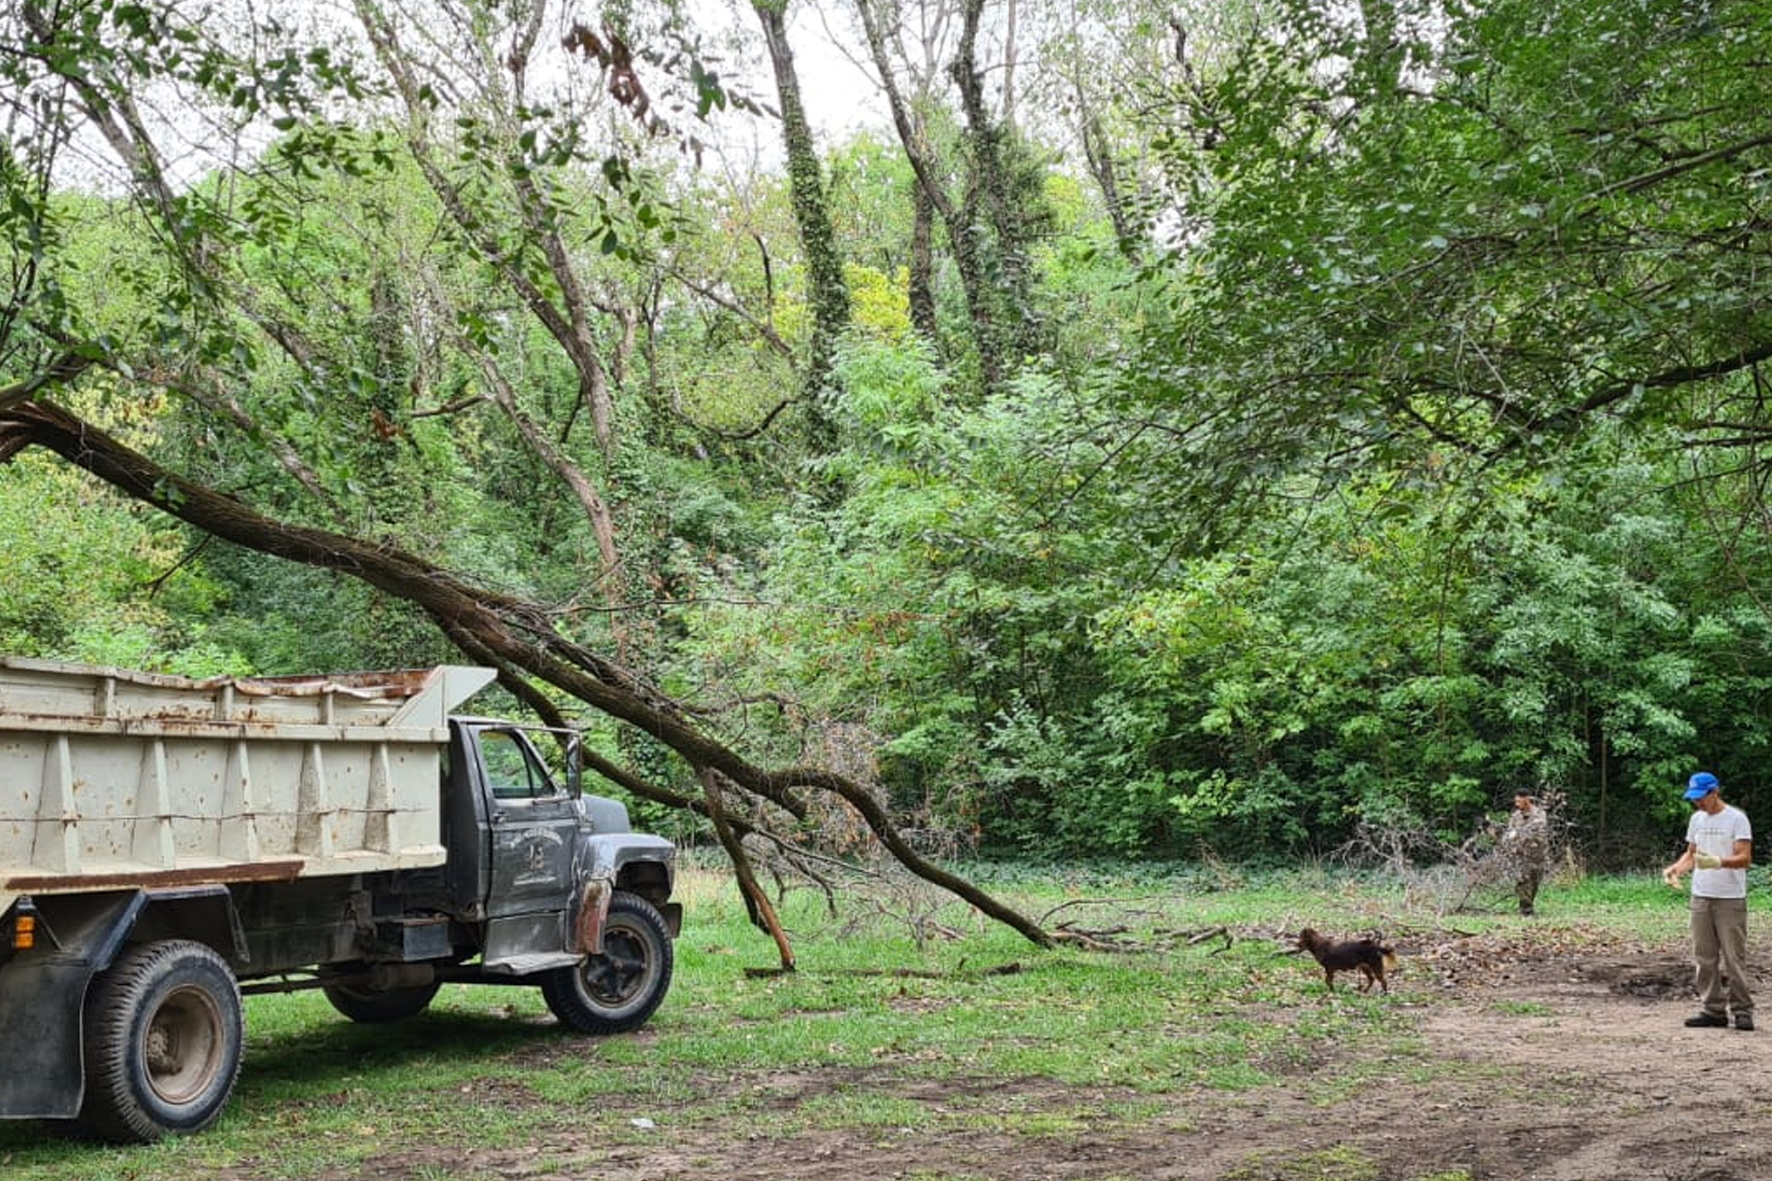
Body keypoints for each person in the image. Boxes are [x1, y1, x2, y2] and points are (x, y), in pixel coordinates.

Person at [1661, 771, 1754, 1031]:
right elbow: (1691, 854)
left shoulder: (1737, 819)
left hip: (1730, 898)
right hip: (1701, 896)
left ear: (1715, 792)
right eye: (1694, 799)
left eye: (1702, 797)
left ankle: (1742, 1011)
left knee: (1734, 957)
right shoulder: (1697, 819)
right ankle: (1713, 1010)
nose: (1698, 803)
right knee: (1704, 956)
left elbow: (1745, 858)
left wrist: (1719, 862)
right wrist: (1676, 869)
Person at [1501, 792, 1549, 916]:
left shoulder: (1539, 814)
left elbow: (1538, 831)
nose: (1516, 804)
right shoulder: (1515, 816)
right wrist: (1509, 838)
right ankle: (1525, 910)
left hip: (1538, 854)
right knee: (1522, 881)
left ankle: (1529, 905)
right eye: (1515, 801)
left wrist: (1520, 834)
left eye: (1519, 801)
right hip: (1521, 855)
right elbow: (1510, 832)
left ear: (1527, 800)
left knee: (1534, 882)